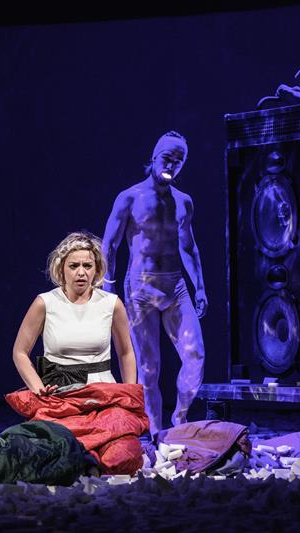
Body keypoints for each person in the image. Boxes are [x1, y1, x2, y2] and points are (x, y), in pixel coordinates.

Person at [102, 131, 207, 436]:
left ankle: (180, 417)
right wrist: (108, 284)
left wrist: (200, 286)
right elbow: (109, 244)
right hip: (141, 288)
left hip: (175, 286)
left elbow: (189, 247)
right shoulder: (129, 197)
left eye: (179, 161)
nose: (171, 165)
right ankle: (157, 434)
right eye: (167, 158)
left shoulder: (183, 202)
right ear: (154, 157)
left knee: (195, 356)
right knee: (149, 368)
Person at [12, 232, 137, 393]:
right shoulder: (45, 303)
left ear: (96, 269)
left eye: (87, 266)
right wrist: (39, 389)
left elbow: (126, 352)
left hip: (102, 392)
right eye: (73, 266)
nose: (81, 272)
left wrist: (130, 393)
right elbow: (20, 352)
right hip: (58, 391)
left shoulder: (111, 304)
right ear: (61, 268)